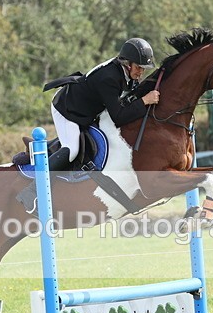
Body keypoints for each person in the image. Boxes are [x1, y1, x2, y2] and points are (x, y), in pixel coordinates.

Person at [17, 38, 161, 213]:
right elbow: (119, 117)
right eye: (139, 68)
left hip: (88, 109)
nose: (141, 72)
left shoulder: (125, 72)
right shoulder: (109, 78)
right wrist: (145, 101)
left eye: (143, 69)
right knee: (72, 149)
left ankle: (43, 149)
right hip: (67, 109)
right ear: (127, 64)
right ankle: (31, 191)